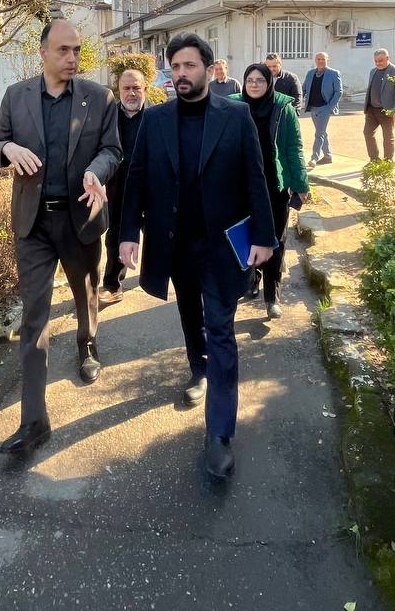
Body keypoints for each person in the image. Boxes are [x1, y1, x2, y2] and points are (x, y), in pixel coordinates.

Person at [120, 33, 274, 480]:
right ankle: (197, 369)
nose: (181, 74)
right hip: (175, 244)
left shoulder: (236, 115)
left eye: (189, 65)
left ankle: (220, 433)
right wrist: (128, 234)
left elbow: (256, 178)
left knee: (221, 328)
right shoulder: (155, 120)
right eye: (175, 67)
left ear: (208, 68)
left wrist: (264, 236)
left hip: (220, 246)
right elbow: (137, 178)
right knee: (190, 313)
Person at [0, 19, 121, 456]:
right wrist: (6, 149)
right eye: (63, 50)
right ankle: (34, 421)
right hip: (34, 224)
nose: (72, 58)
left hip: (80, 219)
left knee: (86, 294)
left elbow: (112, 150)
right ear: (42, 53)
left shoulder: (99, 97)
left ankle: (87, 344)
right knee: (34, 318)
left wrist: (96, 172)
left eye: (76, 50)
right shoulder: (16, 96)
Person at [230, 64, 309, 318]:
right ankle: (252, 279)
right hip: (241, 186)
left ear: (269, 83)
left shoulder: (283, 109)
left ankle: (272, 295)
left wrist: (301, 184)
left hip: (274, 185)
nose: (254, 84)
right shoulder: (233, 106)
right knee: (246, 235)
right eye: (250, 80)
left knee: (275, 239)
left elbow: (294, 148)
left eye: (260, 80)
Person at [99, 67, 149, 306]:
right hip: (119, 185)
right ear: (118, 91)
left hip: (151, 186)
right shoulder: (109, 118)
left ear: (145, 89)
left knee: (159, 233)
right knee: (116, 235)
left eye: (136, 88)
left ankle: (156, 275)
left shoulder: (157, 117)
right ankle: (112, 285)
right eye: (126, 88)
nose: (131, 93)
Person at [301, 51, 343, 168]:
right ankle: (328, 156)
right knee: (322, 132)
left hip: (325, 107)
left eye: (323, 59)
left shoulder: (334, 73)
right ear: (315, 60)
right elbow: (304, 89)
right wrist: (298, 100)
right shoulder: (310, 73)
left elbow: (339, 92)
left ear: (327, 60)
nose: (320, 61)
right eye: (318, 59)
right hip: (313, 108)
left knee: (319, 133)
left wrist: (330, 107)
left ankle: (314, 158)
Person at [364, 48, 395, 162]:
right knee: (367, 133)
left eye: (381, 60)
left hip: (387, 110)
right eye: (376, 61)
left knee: (388, 137)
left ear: (387, 58)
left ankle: (388, 161)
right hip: (372, 110)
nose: (378, 63)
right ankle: (374, 160)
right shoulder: (373, 71)